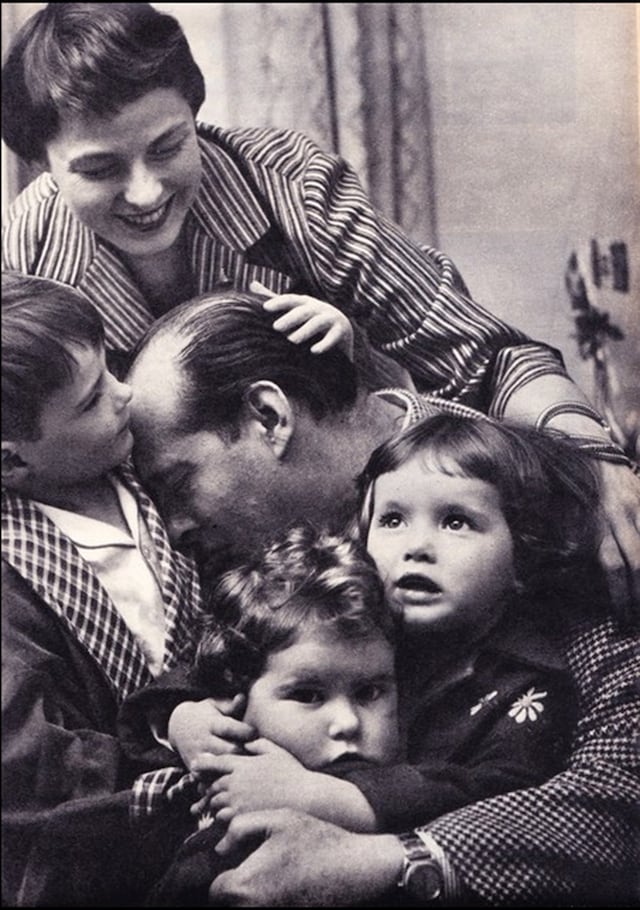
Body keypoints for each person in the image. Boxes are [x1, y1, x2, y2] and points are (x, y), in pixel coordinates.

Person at [2, 3, 638, 616]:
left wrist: (594, 459)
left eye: (168, 146)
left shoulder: (290, 184)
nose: (144, 190)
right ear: (44, 166)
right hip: (183, 558)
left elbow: (487, 356)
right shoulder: (30, 258)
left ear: (195, 113)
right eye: (98, 169)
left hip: (373, 511)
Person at [126, 290, 639, 904]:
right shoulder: (279, 561)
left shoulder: (553, 507)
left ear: (269, 416)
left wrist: (393, 859)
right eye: (390, 522)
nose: (176, 529)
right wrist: (181, 716)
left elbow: (620, 788)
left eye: (179, 483)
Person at [1, 272, 203, 907]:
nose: (125, 394)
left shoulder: (139, 462)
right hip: (110, 837)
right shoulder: (9, 572)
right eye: (91, 401)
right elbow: (26, 755)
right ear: (10, 461)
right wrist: (165, 745)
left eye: (113, 368)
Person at [123, 524, 400, 905]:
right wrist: (179, 717)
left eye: (370, 692)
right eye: (308, 695)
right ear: (234, 697)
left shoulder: (420, 786)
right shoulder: (207, 778)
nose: (348, 723)